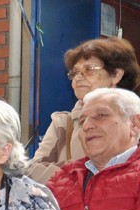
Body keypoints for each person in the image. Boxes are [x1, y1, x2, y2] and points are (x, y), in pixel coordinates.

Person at [27, 37, 140, 184]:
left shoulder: (135, 119)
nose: (78, 78)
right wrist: (84, 173)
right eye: (74, 73)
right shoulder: (63, 122)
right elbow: (33, 173)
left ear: (116, 75)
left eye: (89, 70)